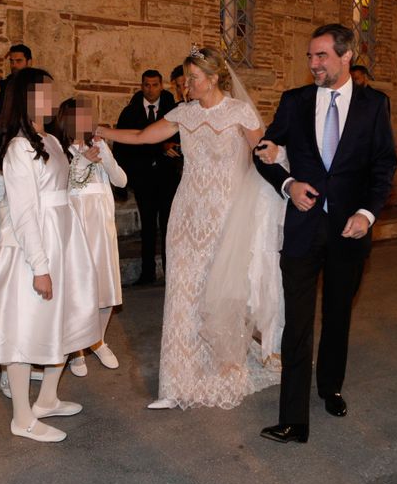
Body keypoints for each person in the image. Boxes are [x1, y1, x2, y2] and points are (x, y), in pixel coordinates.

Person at [97, 47, 283, 410]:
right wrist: (105, 131)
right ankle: (175, 383)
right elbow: (145, 136)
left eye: (193, 79)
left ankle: (225, 368)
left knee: (219, 294)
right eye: (184, 79)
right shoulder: (184, 113)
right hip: (186, 215)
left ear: (213, 79)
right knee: (181, 292)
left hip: (225, 217)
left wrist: (277, 160)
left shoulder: (238, 112)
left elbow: (262, 153)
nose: (185, 86)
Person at [253, 25, 397, 444]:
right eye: (310, 57)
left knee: (338, 315)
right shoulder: (294, 102)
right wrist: (287, 184)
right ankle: (293, 419)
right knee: (297, 323)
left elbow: (384, 167)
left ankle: (330, 386)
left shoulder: (374, 105)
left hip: (349, 231)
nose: (313, 65)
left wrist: (368, 214)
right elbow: (262, 152)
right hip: (302, 229)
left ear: (346, 55)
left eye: (322, 57)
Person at [0, 67, 99, 443]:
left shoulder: (48, 138)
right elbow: (24, 211)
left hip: (65, 237)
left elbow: (64, 185)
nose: (52, 98)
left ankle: (47, 399)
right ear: (26, 98)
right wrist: (40, 266)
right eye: (44, 92)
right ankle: (21, 416)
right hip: (37, 244)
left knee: (65, 320)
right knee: (25, 327)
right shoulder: (19, 147)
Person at [50, 97, 127, 377]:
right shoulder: (59, 150)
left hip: (101, 227)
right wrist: (81, 161)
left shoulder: (99, 145)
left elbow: (121, 181)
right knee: (78, 289)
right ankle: (78, 348)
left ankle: (98, 340)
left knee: (106, 289)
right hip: (76, 228)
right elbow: (63, 187)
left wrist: (105, 157)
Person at [112, 70, 180, 284]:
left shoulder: (174, 110)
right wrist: (122, 181)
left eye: (155, 85)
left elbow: (183, 139)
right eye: (146, 85)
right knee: (148, 227)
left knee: (169, 226)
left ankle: (171, 274)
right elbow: (123, 147)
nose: (150, 89)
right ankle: (147, 273)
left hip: (169, 178)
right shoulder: (130, 112)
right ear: (141, 86)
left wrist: (171, 147)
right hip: (143, 179)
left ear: (161, 86)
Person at [0, 44, 32, 123]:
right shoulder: (6, 85)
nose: (14, 65)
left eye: (19, 61)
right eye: (11, 61)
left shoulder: (38, 84)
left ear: (29, 62)